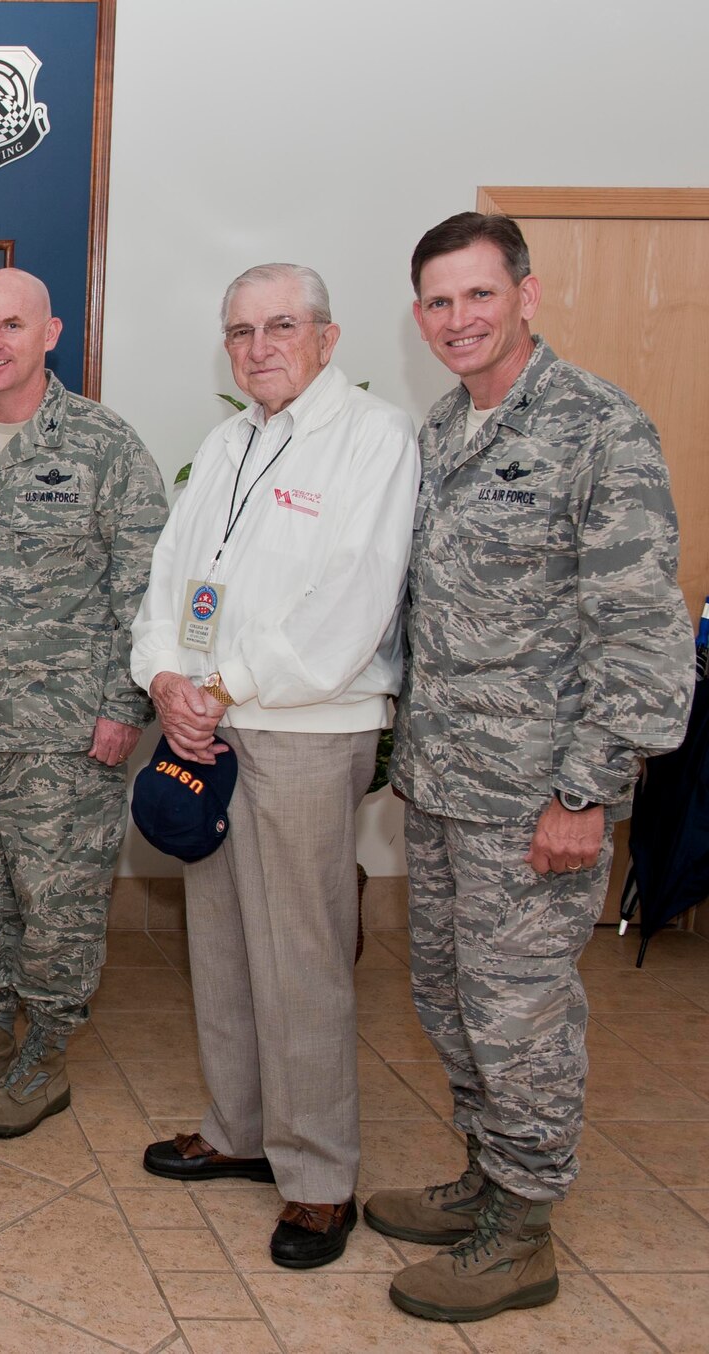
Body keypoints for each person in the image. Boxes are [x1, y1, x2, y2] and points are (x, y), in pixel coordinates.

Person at [378, 213, 691, 1322]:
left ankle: (521, 1227)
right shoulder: (436, 430)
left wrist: (583, 790)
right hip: (443, 779)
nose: (455, 319)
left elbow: (641, 630)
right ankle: (484, 1173)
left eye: (475, 295)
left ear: (525, 294)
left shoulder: (598, 426)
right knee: (447, 995)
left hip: (534, 795)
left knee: (519, 1011)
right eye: (435, 302)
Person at [129, 264, 420, 1270]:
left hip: (300, 727)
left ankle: (316, 1178)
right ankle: (239, 1129)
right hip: (204, 727)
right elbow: (170, 576)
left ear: (328, 338)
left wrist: (224, 686)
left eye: (280, 326)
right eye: (240, 330)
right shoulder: (225, 444)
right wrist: (164, 677)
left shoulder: (371, 442)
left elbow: (353, 600)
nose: (258, 347)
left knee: (297, 956)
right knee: (217, 940)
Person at [0, 268, 167, 1138]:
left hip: (67, 731)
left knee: (58, 905)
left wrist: (123, 707)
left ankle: (47, 1052)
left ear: (50, 334)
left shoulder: (104, 445)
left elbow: (143, 589)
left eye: (11, 326)